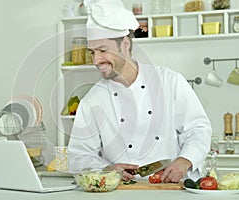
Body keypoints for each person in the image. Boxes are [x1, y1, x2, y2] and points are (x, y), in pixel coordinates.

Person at [67, 0, 212, 183]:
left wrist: (184, 160)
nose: (96, 60)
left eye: (103, 50)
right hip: (119, 193)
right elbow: (78, 156)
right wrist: (106, 168)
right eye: (92, 52)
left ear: (125, 44)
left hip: (170, 189)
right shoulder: (92, 100)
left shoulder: (169, 82)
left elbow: (198, 129)